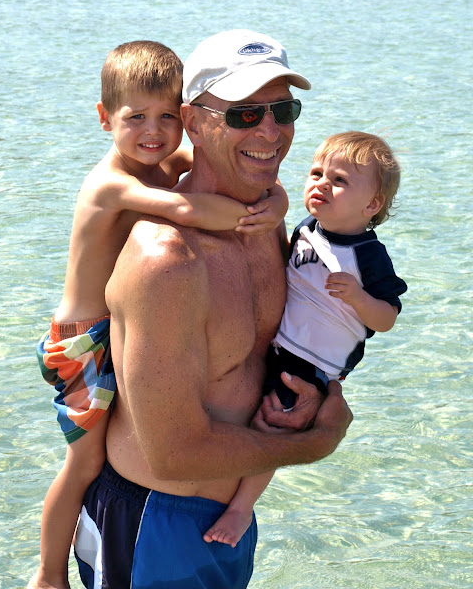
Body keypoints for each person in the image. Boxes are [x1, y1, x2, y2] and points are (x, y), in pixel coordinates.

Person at [72, 29, 353, 589]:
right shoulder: (166, 260)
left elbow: (275, 348)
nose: (270, 132)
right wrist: (316, 442)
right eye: (245, 114)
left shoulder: (264, 221)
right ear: (194, 123)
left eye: (282, 110)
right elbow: (174, 453)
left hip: (230, 517)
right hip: (154, 524)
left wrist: (320, 393)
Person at [29, 39, 290, 589]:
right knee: (83, 464)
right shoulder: (111, 183)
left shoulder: (163, 161)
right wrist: (254, 214)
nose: (154, 131)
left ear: (186, 121)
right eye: (136, 118)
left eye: (167, 117)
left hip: (108, 330)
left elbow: (232, 165)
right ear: (104, 118)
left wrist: (278, 200)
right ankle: (48, 574)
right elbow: (186, 208)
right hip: (80, 342)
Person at [203, 131, 408, 548]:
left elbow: (387, 318)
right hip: (278, 344)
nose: (321, 184)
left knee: (273, 427)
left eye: (339, 180)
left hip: (313, 364)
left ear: (372, 205)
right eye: (316, 173)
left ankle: (242, 507)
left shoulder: (368, 255)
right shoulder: (306, 229)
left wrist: (359, 297)